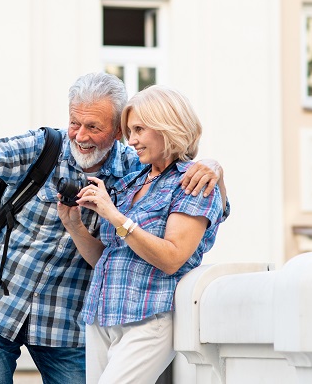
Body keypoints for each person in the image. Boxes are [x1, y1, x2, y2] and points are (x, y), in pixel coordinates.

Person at [0, 72, 225, 384]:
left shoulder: (132, 169)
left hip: (65, 320)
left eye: (93, 127)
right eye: (74, 123)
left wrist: (213, 166)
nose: (79, 135)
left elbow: (193, 192)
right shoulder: (43, 147)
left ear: (116, 131)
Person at [57, 85, 227, 384]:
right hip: (101, 315)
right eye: (128, 130)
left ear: (168, 127)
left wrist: (113, 215)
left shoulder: (192, 182)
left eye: (138, 130)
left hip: (150, 317)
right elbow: (108, 257)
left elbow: (172, 258)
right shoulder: (133, 181)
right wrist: (75, 227)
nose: (131, 140)